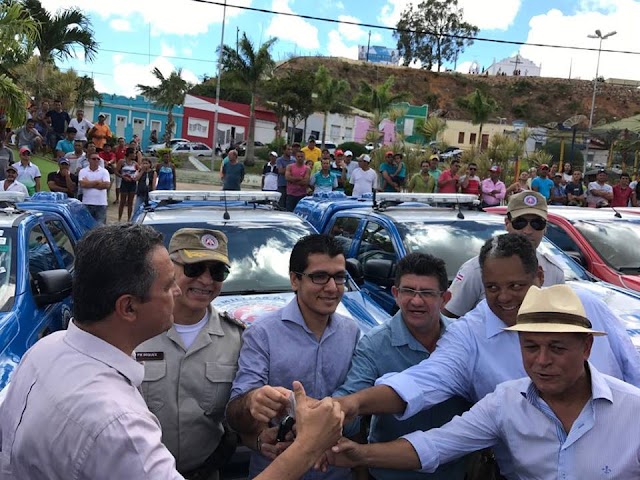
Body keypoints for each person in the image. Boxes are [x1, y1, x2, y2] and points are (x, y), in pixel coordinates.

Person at [333, 234, 640, 479]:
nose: (504, 297)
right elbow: (425, 395)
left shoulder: (588, 308)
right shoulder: (500, 395)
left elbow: (631, 366)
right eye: (492, 287)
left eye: (558, 347)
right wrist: (351, 407)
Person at [0, 224, 184, 479]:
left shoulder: (46, 349)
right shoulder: (120, 424)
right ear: (128, 307)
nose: (178, 292)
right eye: (167, 286)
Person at [226, 234, 360, 480]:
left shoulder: (352, 331)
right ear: (295, 280)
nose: (331, 287)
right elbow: (236, 413)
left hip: (336, 472)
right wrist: (253, 401)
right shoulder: (262, 333)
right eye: (319, 277)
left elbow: (358, 409)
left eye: (339, 277)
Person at [333, 253, 471, 480]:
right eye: (408, 291)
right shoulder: (375, 343)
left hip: (454, 471)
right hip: (390, 474)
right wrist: (331, 412)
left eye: (426, 293)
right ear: (395, 294)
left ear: (444, 298)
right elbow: (352, 396)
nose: (416, 301)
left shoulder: (465, 338)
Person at [137, 228, 244, 479]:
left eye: (217, 272)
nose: (206, 281)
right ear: (169, 268)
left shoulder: (238, 339)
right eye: (194, 269)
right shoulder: (135, 329)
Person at [445, 190, 564, 318]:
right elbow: (449, 317)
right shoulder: (476, 269)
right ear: (507, 223)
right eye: (520, 222)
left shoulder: (553, 271)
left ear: (545, 227)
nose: (528, 231)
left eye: (537, 224)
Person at [79, 152, 111, 224]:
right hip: (87, 203)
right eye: (94, 159)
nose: (96, 160)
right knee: (86, 226)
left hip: (101, 203)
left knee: (100, 227)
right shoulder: (83, 171)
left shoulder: (104, 171)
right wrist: (97, 182)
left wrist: (89, 183)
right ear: (89, 160)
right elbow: (83, 184)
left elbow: (106, 185)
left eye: (98, 159)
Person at [117, 147, 139, 222]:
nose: (135, 155)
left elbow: (138, 172)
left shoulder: (135, 164)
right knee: (122, 202)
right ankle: (119, 219)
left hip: (132, 183)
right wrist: (123, 177)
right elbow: (116, 172)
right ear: (130, 154)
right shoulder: (122, 162)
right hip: (124, 183)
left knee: (130, 202)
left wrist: (135, 177)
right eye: (134, 153)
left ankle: (129, 219)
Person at [276, 144, 294, 209]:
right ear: (283, 150)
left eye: (291, 149)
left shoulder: (294, 160)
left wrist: (286, 169)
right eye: (288, 149)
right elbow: (280, 171)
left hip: (292, 185)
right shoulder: (279, 160)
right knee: (281, 203)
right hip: (282, 184)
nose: (290, 151)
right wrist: (290, 169)